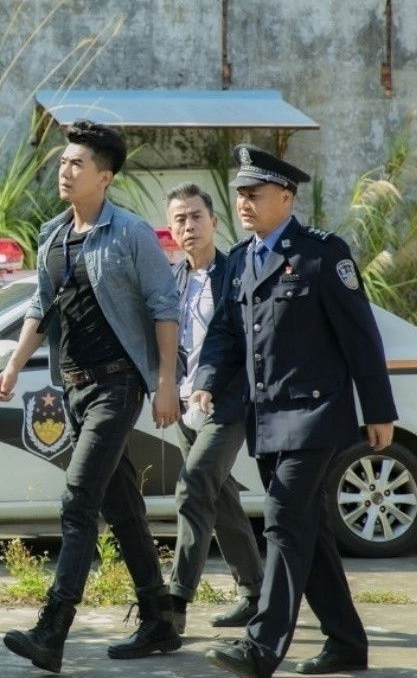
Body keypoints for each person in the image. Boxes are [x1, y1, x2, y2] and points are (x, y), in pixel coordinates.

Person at [191, 144, 397, 678]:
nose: (244, 203)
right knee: (310, 530)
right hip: (265, 419)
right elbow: (225, 335)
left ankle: (260, 649)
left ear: (285, 197)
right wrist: (205, 383)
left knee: (283, 518)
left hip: (315, 414)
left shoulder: (322, 254)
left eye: (254, 194)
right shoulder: (240, 259)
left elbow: (361, 337)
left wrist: (378, 409)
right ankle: (346, 643)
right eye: (239, 194)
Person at [0, 120, 181, 673]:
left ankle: (52, 631)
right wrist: (13, 365)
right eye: (62, 162)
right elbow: (41, 307)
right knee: (121, 506)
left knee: (79, 502)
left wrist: (165, 382)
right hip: (72, 386)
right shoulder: (53, 235)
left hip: (117, 385)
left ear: (105, 177)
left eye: (77, 163)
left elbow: (164, 307)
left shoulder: (130, 233)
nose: (65, 170)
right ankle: (159, 619)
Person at [162, 183, 264, 635]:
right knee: (220, 498)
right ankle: (255, 592)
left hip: (229, 402)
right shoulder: (171, 281)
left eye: (196, 216)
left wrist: (214, 386)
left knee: (194, 485)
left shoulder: (236, 272)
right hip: (186, 405)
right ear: (171, 229)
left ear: (214, 221)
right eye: (180, 219)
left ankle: (175, 600)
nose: (189, 226)